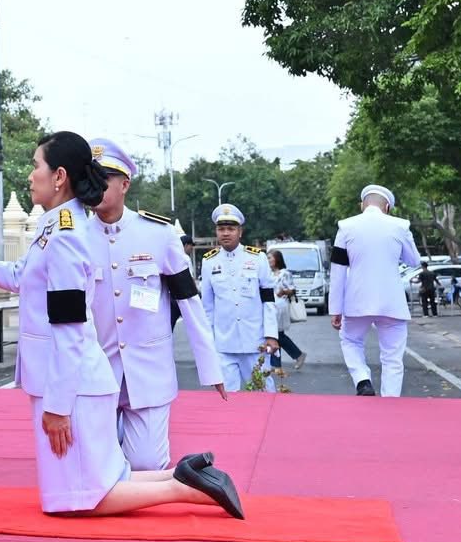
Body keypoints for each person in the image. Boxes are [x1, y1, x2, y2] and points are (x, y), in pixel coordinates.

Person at [0, 132, 243, 517]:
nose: (30, 175)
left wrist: (58, 406)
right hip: (78, 377)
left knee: (82, 499)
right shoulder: (55, 226)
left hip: (78, 381)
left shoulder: (69, 235)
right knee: (93, 483)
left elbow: (69, 326)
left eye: (36, 166)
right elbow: (19, 275)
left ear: (59, 176)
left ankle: (185, 487)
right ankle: (183, 475)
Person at [82, 137, 225, 470]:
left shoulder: (159, 234)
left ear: (125, 184)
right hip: (96, 371)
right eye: (90, 177)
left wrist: (210, 366)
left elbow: (189, 302)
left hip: (148, 371)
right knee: (94, 467)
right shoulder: (74, 237)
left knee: (147, 463)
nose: (96, 186)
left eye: (104, 178)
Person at [329, 184, 419, 396]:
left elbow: (338, 271)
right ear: (387, 207)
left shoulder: (346, 227)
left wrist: (336, 309)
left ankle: (362, 380)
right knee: (392, 357)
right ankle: (391, 399)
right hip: (392, 303)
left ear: (362, 205)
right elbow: (414, 260)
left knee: (351, 341)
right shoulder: (401, 226)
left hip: (357, 301)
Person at [200, 205, 280, 392]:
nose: (225, 233)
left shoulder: (258, 258)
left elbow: (268, 300)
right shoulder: (209, 261)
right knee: (226, 398)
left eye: (231, 229)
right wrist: (207, 341)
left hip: (255, 342)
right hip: (223, 344)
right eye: (221, 229)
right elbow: (207, 307)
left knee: (263, 394)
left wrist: (271, 335)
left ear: (240, 232)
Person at [268, 249, 307, 371]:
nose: (268, 260)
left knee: (276, 334)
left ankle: (277, 364)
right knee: (276, 335)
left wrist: (284, 292)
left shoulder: (285, 273)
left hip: (280, 307)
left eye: (270, 258)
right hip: (270, 306)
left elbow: (292, 290)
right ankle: (296, 356)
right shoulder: (268, 273)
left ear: (277, 259)